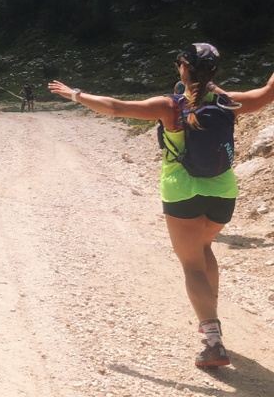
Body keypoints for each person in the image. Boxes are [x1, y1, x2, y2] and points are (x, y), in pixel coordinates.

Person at [48, 43, 274, 369]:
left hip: (182, 192)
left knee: (191, 264)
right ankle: (210, 313)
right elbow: (268, 92)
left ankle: (213, 342)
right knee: (205, 247)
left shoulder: (170, 106)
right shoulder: (228, 103)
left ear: (183, 67)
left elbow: (115, 107)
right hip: (223, 191)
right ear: (214, 70)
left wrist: (74, 94)